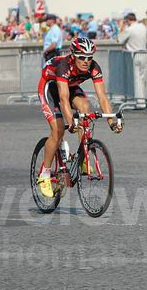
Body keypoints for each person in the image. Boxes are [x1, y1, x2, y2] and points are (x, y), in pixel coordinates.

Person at [36, 37, 121, 198]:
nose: (86, 61)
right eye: (82, 57)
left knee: (85, 108)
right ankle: (44, 174)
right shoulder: (63, 66)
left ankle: (83, 155)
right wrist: (70, 122)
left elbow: (102, 97)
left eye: (89, 57)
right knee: (58, 130)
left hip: (71, 86)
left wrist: (111, 121)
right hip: (50, 87)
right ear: (73, 55)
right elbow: (63, 98)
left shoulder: (94, 68)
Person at [118, 11, 147, 109]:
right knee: (141, 78)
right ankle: (141, 99)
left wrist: (121, 27)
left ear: (128, 20)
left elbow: (119, 40)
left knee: (136, 79)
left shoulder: (130, 29)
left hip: (134, 55)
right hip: (143, 53)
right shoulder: (143, 27)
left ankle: (139, 102)